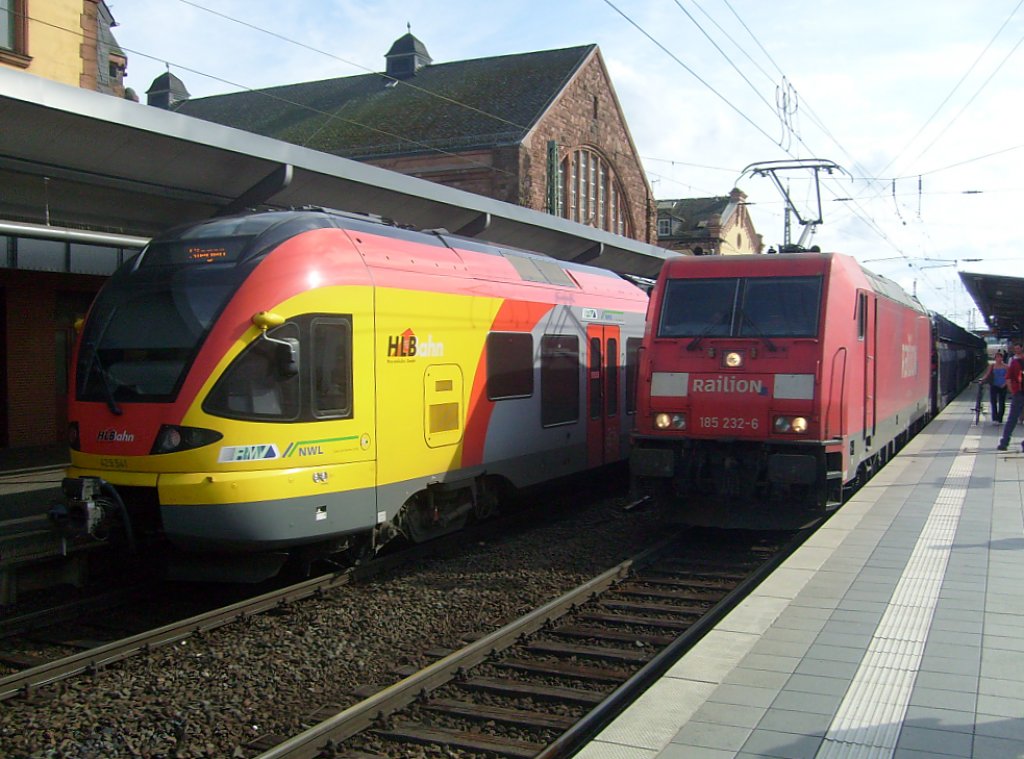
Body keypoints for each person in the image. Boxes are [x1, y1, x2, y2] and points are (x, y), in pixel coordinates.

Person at [996, 342, 1024, 451]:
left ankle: (1004, 442)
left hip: (1018, 393)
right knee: (1012, 419)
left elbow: (1008, 378)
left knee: (1012, 419)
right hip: (1018, 393)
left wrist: (1012, 391)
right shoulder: (1015, 362)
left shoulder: (1015, 363)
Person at [981, 351, 1009, 423]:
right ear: (995, 358)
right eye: (997, 357)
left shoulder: (1006, 366)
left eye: (1000, 357)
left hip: (1003, 385)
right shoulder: (992, 366)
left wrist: (1005, 383)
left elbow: (1009, 377)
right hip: (994, 385)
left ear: (1002, 358)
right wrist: (982, 379)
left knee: (1002, 402)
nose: (998, 359)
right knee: (993, 402)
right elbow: (987, 374)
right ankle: (994, 418)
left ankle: (1000, 418)